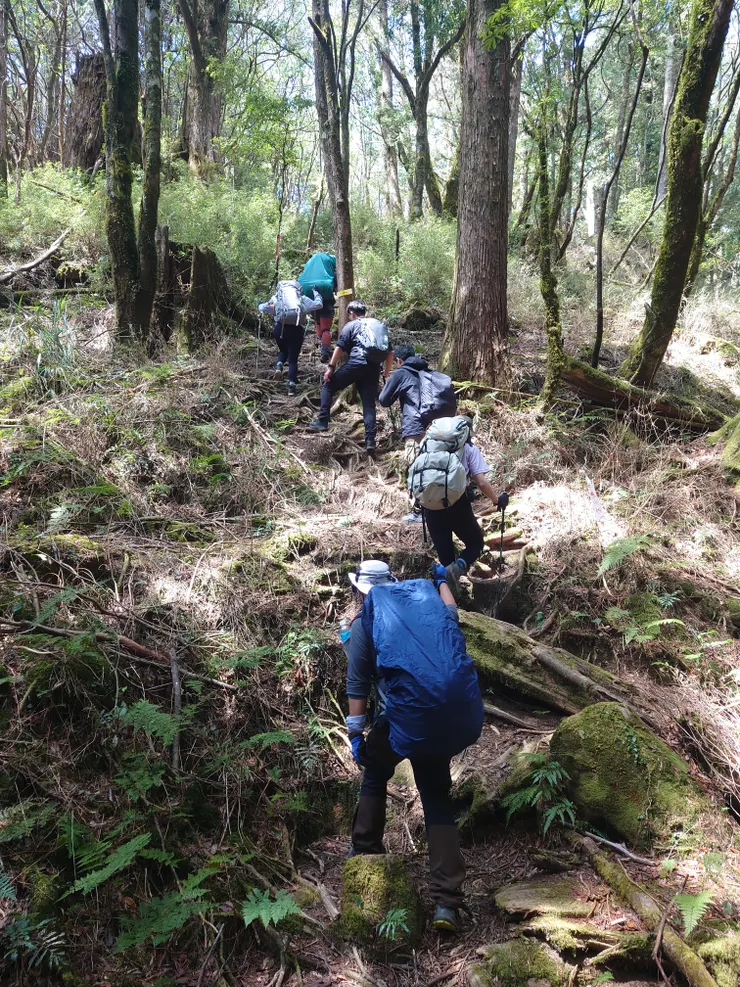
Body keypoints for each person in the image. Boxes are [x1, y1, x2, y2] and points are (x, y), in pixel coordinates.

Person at [342, 559, 483, 934]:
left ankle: (365, 852)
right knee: (436, 796)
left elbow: (357, 685)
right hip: (444, 715)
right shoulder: (427, 608)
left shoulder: (364, 623)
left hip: (404, 719)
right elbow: (453, 615)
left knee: (375, 769)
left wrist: (356, 736)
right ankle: (447, 904)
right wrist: (442, 581)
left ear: (361, 591)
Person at [412, 416, 501, 596]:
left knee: (445, 559)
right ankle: (459, 568)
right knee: (475, 544)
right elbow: (482, 483)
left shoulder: (428, 447)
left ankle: (450, 601)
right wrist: (497, 500)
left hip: (431, 506)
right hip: (457, 504)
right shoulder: (468, 449)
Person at [378, 342, 457, 524]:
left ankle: (420, 512)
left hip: (416, 428)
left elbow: (384, 400)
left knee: (416, 469)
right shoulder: (428, 372)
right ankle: (442, 507)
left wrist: (389, 380)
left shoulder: (401, 373)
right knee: (436, 467)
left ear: (398, 360)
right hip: (437, 428)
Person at [308, 301, 393, 454]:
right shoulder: (377, 326)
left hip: (356, 364)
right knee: (368, 404)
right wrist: (386, 373)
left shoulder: (351, 325)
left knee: (328, 385)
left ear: (352, 313)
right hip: (373, 368)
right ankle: (370, 441)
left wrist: (330, 368)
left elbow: (340, 348)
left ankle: (322, 421)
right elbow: (390, 353)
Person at [258, 282, 323, 396]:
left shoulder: (277, 297)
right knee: (293, 359)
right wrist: (316, 292)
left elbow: (264, 308)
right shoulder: (301, 298)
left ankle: (279, 365)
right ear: (298, 289)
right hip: (296, 330)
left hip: (280, 329)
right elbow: (318, 305)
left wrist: (260, 304)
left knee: (283, 350)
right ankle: (291, 386)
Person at [298, 251, 337, 362]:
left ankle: (321, 345)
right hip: (326, 300)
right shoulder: (330, 273)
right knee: (326, 328)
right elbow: (337, 287)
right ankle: (325, 352)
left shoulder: (309, 270)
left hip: (310, 297)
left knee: (318, 322)